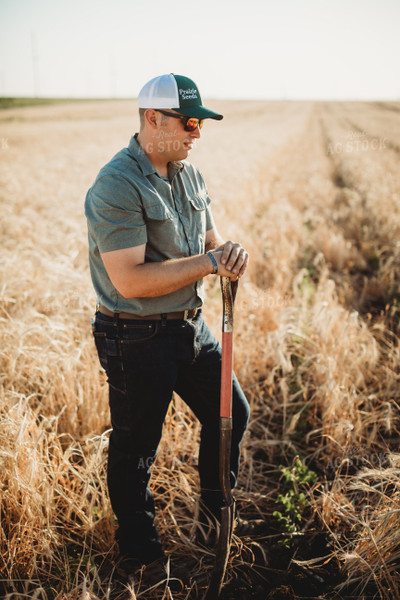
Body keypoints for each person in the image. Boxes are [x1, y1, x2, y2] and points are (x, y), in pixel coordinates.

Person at [85, 73, 257, 575]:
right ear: (152, 118)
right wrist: (208, 264)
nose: (196, 132)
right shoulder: (116, 184)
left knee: (233, 416)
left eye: (200, 123)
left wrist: (227, 254)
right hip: (135, 336)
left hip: (191, 328)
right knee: (137, 449)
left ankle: (213, 520)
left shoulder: (189, 174)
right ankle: (141, 553)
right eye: (188, 122)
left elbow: (211, 241)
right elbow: (131, 282)